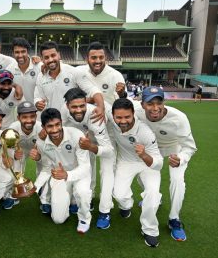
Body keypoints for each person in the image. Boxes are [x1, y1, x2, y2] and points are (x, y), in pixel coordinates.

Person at [136, 86, 197, 241]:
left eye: (159, 103)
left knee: (178, 181)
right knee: (141, 176)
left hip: (174, 149)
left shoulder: (179, 118)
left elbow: (190, 146)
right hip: (151, 149)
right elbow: (115, 107)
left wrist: (181, 158)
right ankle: (156, 197)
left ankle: (174, 219)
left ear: (164, 102)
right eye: (150, 103)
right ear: (142, 104)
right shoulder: (136, 111)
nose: (155, 108)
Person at [110, 98, 163, 247]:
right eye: (118, 117)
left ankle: (150, 230)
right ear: (113, 115)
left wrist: (144, 155)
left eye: (127, 116)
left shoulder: (145, 133)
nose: (123, 121)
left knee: (152, 196)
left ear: (133, 114)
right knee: (119, 195)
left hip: (147, 164)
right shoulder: (111, 118)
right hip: (126, 162)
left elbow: (158, 164)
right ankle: (127, 205)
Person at [60, 88, 115, 229]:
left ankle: (105, 211)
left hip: (107, 134)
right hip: (85, 134)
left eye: (82, 106)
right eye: (74, 107)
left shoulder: (94, 116)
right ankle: (87, 200)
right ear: (67, 106)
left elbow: (108, 150)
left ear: (86, 103)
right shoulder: (63, 111)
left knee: (106, 171)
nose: (78, 110)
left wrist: (90, 146)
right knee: (84, 163)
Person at [34, 108, 92, 234]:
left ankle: (84, 219)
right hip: (59, 176)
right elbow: (47, 167)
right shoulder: (42, 143)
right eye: (50, 126)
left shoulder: (76, 135)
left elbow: (85, 167)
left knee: (82, 192)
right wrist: (35, 186)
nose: (55, 130)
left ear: (61, 122)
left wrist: (67, 174)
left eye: (57, 125)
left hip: (80, 174)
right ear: (43, 127)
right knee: (58, 219)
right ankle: (70, 200)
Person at [34, 41, 105, 123]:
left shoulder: (73, 72)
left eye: (53, 55)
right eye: (46, 57)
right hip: (53, 123)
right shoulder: (41, 76)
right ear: (42, 59)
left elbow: (93, 90)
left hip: (72, 123)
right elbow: (38, 97)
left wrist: (101, 107)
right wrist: (37, 103)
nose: (50, 60)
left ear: (59, 55)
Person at [8, 101, 49, 211]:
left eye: (32, 116)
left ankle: (45, 199)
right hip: (20, 150)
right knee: (15, 166)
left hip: (37, 150)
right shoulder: (12, 128)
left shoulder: (41, 128)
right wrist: (14, 154)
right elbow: (8, 148)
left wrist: (39, 156)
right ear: (18, 117)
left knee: (44, 167)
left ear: (36, 116)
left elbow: (48, 152)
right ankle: (13, 194)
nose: (29, 120)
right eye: (24, 117)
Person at [6, 37, 42, 102]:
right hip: (19, 110)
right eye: (17, 52)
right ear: (13, 53)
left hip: (37, 109)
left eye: (23, 52)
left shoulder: (39, 66)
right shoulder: (9, 69)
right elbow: (5, 84)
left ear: (27, 51)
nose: (20, 55)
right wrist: (15, 85)